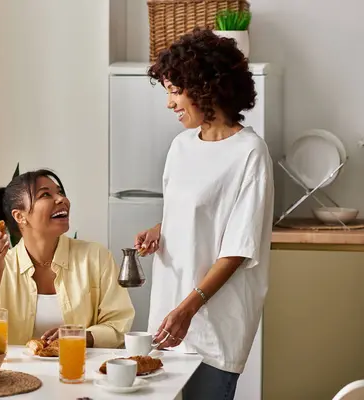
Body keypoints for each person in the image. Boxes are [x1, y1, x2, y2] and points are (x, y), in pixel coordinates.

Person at [135, 28, 274, 399]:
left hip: (213, 325)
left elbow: (238, 248)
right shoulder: (180, 146)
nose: (169, 103)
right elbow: (196, 213)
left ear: (206, 87)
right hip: (169, 316)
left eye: (174, 91)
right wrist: (160, 228)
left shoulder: (250, 153)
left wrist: (188, 310)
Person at [0, 169, 135, 348]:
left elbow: (119, 325)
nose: (61, 199)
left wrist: (80, 336)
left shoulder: (96, 257)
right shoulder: (1, 265)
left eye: (60, 192)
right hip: (18, 374)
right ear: (20, 216)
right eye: (45, 194)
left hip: (80, 369)